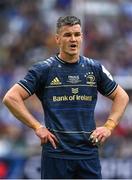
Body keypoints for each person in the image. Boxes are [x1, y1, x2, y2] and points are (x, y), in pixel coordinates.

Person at [3, 15, 129, 179]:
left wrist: (108, 126)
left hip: (87, 153)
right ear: (57, 39)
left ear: (82, 37)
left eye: (77, 34)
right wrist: (37, 127)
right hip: (56, 154)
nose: (73, 39)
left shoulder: (94, 68)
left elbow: (122, 96)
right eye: (67, 35)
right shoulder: (44, 69)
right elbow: (11, 98)